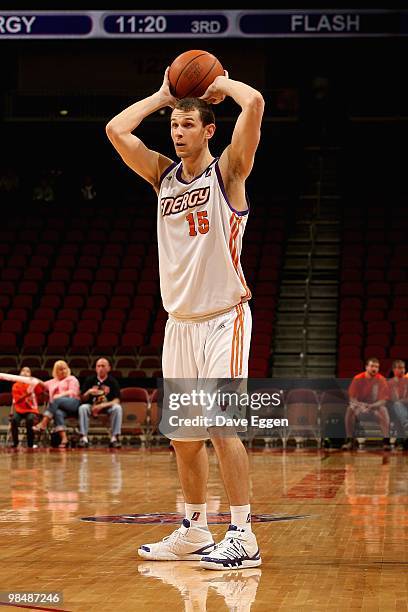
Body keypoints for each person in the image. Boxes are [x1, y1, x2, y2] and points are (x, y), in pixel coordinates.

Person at [106, 67, 264, 569]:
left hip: (224, 317)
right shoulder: (161, 176)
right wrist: (161, 96)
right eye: (174, 125)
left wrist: (223, 84)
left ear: (209, 130)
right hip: (180, 323)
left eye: (188, 124)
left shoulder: (229, 171)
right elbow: (115, 130)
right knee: (184, 437)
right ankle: (195, 529)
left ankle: (243, 533)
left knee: (221, 425)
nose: (177, 132)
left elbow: (255, 103)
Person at [342, 357, 391, 451]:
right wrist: (361, 406)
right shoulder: (358, 378)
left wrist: (372, 406)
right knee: (350, 409)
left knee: (384, 409)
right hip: (360, 409)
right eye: (372, 366)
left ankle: (386, 441)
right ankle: (349, 440)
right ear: (366, 367)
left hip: (374, 409)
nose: (374, 369)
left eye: (377, 367)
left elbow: (384, 400)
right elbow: (352, 399)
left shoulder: (381, 380)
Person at [33, 360, 81, 449]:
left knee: (56, 400)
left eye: (64, 369)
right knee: (58, 413)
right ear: (55, 371)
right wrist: (33, 380)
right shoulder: (52, 381)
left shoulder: (72, 379)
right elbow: (42, 385)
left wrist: (59, 396)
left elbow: (73, 392)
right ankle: (64, 439)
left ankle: (43, 423)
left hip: (72, 403)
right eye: (60, 369)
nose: (63, 371)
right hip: (59, 407)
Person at [78, 357, 122, 448]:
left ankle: (114, 438)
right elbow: (82, 399)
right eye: (98, 366)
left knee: (118, 408)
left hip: (107, 406)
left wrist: (102, 405)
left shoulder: (113, 381)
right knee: (82, 408)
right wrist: (88, 392)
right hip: (91, 406)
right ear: (95, 368)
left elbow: (117, 400)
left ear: (109, 368)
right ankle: (83, 438)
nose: (100, 368)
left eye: (103, 366)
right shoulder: (90, 380)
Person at [10, 366, 44, 449]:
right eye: (23, 371)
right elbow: (17, 400)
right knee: (14, 420)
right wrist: (27, 394)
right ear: (20, 374)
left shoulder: (33, 384)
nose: (25, 372)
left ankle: (30, 444)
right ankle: (15, 443)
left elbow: (41, 391)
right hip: (19, 410)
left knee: (30, 420)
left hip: (31, 410)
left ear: (30, 375)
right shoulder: (16, 385)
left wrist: (37, 381)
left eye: (27, 371)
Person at [387, 359, 408, 450]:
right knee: (397, 406)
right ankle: (406, 425)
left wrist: (403, 400)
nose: (402, 370)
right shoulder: (389, 383)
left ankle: (401, 442)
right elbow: (392, 399)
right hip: (394, 408)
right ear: (394, 370)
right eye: (399, 368)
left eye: (403, 368)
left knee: (399, 407)